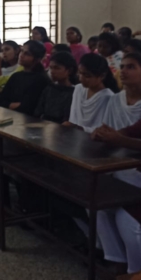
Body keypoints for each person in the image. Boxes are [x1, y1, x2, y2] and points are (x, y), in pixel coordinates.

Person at [90, 53, 141, 275]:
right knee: (94, 201)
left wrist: (119, 139)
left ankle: (135, 271)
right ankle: (117, 260)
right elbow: (131, 131)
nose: (124, 71)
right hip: (123, 165)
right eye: (123, 67)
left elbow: (125, 137)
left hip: (135, 170)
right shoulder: (116, 100)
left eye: (131, 67)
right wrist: (104, 135)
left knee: (126, 219)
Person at [63, 53, 117, 133]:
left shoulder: (109, 98)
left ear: (102, 76)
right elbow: (73, 118)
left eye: (87, 75)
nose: (81, 78)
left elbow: (105, 130)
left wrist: (79, 128)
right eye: (80, 73)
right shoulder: (78, 89)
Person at [0, 40, 51, 115]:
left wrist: (8, 105)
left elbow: (28, 106)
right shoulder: (16, 76)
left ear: (37, 59)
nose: (21, 55)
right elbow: (1, 100)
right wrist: (10, 105)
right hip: (11, 115)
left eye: (27, 54)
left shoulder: (40, 79)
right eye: (22, 51)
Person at [34, 52, 77, 123]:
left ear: (69, 71)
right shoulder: (49, 88)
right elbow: (38, 112)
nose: (52, 71)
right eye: (51, 68)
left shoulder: (74, 92)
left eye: (57, 68)